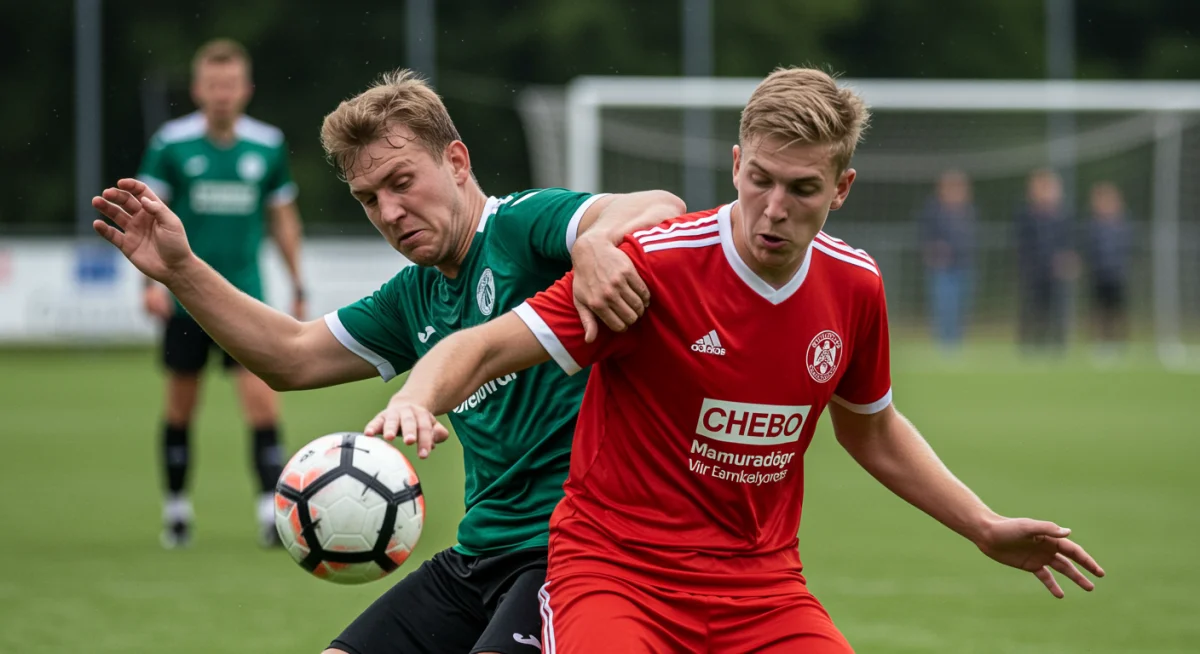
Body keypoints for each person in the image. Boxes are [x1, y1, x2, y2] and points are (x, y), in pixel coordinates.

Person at [369, 67, 1106, 653]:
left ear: (841, 190)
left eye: (802, 188)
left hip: (761, 589)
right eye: (760, 178)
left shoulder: (854, 286)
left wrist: (982, 524)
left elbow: (871, 430)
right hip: (618, 578)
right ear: (735, 165)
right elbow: (484, 344)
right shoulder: (655, 267)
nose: (773, 207)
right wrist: (417, 399)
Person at [93, 68, 683, 654]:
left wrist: (593, 243)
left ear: (456, 161)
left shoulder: (520, 227)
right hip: (478, 557)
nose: (390, 212)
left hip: (570, 557)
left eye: (402, 182)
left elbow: (658, 204)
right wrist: (180, 270)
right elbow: (291, 357)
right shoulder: (414, 295)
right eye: (368, 199)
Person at [135, 38, 307, 549]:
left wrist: (297, 285)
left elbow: (283, 220)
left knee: (262, 407)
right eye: (213, 85)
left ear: (246, 90)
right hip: (184, 300)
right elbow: (146, 214)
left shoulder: (267, 146)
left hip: (246, 300)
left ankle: (267, 514)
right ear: (197, 90)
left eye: (230, 85)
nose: (222, 94)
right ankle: (177, 512)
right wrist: (149, 284)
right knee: (181, 408)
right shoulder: (172, 144)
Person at [1015, 168, 1078, 355]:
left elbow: (1069, 242)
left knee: (1058, 309)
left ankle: (1058, 346)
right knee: (1032, 309)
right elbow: (1022, 243)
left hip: (1056, 271)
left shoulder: (1062, 215)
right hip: (1033, 270)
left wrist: (1067, 260)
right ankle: (1030, 346)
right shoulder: (1026, 214)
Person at [919, 169, 977, 352]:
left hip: (964, 265)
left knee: (962, 306)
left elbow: (972, 237)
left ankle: (957, 341)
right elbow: (924, 237)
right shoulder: (933, 211)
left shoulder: (968, 211)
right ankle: (943, 343)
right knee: (943, 305)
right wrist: (934, 252)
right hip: (941, 268)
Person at [1085, 181, 1133, 360]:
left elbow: (1127, 248)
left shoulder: (1122, 225)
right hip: (1099, 275)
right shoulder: (1094, 226)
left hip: (1118, 274)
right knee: (1098, 309)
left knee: (1118, 310)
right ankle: (1099, 343)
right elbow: (1090, 249)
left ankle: (1118, 343)